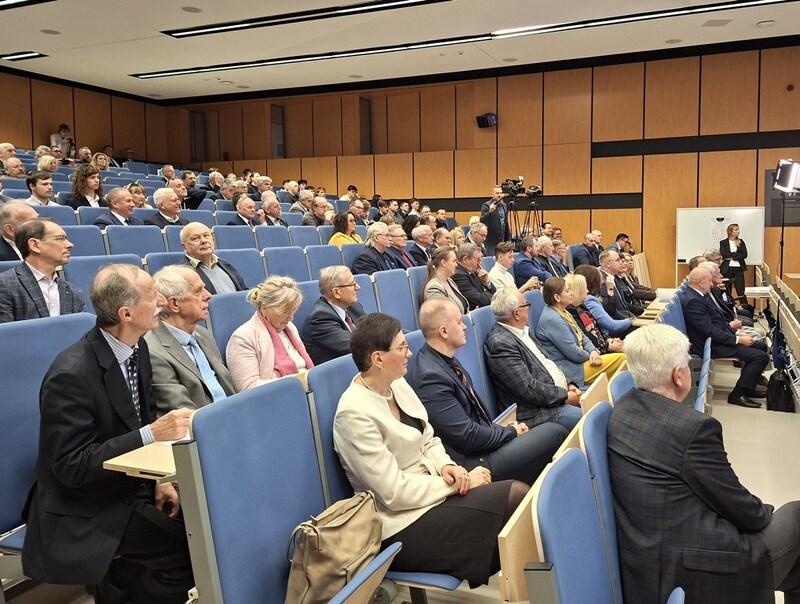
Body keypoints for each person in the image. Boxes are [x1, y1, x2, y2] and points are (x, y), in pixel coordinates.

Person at [22, 264, 194, 604]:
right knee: (189, 553)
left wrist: (159, 481)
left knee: (205, 526)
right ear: (126, 312)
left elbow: (138, 424)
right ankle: (120, 585)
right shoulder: (70, 375)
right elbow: (72, 466)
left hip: (128, 484)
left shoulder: (137, 347)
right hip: (87, 505)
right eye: (151, 296)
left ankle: (121, 582)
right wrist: (151, 434)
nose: (161, 300)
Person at [607, 323, 800, 604]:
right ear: (678, 376)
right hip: (695, 566)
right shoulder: (693, 428)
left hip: (648, 560)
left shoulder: (623, 408)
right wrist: (764, 511)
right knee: (795, 513)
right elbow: (748, 512)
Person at [334, 312, 528, 586]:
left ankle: (524, 583)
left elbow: (428, 437)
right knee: (516, 497)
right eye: (401, 347)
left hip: (431, 493)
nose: (410, 353)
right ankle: (529, 586)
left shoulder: (396, 383)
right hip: (401, 524)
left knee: (517, 504)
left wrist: (447, 467)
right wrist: (459, 483)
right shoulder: (353, 414)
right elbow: (394, 493)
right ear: (378, 359)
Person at [409, 299, 567, 484]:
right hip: (474, 462)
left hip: (482, 444)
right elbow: (467, 436)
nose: (465, 327)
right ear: (444, 331)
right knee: (555, 432)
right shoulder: (430, 377)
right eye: (459, 322)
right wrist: (511, 433)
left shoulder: (443, 360)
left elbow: (476, 421)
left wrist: (505, 430)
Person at [484, 288, 584, 430]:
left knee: (598, 404)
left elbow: (547, 362)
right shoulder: (500, 343)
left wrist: (569, 384)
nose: (529, 309)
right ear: (517, 313)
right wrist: (564, 396)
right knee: (590, 419)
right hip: (537, 412)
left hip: (554, 396)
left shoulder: (522, 330)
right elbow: (528, 388)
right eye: (526, 305)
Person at [145, 265, 235, 417]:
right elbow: (186, 415)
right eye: (198, 291)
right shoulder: (153, 352)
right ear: (174, 304)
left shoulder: (203, 334)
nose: (208, 295)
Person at [680, 266, 768, 408]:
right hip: (709, 345)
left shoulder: (699, 294)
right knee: (760, 357)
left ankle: (749, 387)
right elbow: (709, 331)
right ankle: (738, 394)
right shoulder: (693, 301)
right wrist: (738, 339)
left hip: (716, 339)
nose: (712, 284)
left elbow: (718, 322)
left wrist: (737, 333)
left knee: (760, 346)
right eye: (709, 281)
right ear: (700, 282)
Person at [226, 276, 314, 392]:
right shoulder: (242, 338)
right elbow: (247, 388)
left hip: (306, 391)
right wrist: (298, 381)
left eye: (293, 311)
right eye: (284, 312)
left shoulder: (289, 327)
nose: (291, 318)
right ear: (264, 308)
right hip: (276, 399)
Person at [535, 277, 626, 388]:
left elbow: (582, 335)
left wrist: (593, 351)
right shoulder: (552, 319)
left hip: (583, 360)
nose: (572, 293)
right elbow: (574, 354)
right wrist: (592, 355)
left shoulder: (563, 311)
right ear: (557, 297)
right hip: (574, 370)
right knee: (623, 359)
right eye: (567, 291)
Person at [0, 218, 84, 322]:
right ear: (34, 245)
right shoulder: (4, 285)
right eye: (60, 238)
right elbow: (5, 335)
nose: (70, 244)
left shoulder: (75, 293)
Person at [301, 265, 366, 365]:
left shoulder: (353, 306)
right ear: (336, 292)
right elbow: (358, 346)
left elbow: (371, 330)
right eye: (352, 284)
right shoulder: (319, 318)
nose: (358, 287)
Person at [564, 273, 625, 355]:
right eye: (585, 288)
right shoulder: (571, 311)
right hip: (594, 353)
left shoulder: (581, 306)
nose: (587, 291)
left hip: (603, 345)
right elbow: (586, 337)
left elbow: (597, 330)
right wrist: (608, 346)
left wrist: (608, 340)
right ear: (578, 291)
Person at [178, 222, 247, 295]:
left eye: (206, 235)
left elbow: (244, 291)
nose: (204, 241)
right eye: (195, 238)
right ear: (184, 247)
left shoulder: (225, 264)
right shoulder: (182, 273)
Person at [573, 264, 634, 337]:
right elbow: (612, 325)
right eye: (600, 279)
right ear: (594, 281)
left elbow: (611, 311)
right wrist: (630, 320)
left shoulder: (589, 297)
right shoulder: (589, 300)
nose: (602, 281)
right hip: (607, 337)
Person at [420, 246, 469, 313]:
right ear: (443, 263)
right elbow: (442, 316)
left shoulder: (449, 280)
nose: (456, 265)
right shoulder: (433, 288)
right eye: (454, 261)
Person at [452, 243, 496, 309]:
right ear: (465, 260)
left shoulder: (474, 271)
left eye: (480, 260)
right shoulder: (458, 275)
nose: (480, 264)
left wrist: (486, 282)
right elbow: (482, 301)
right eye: (477, 260)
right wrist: (487, 294)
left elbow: (495, 294)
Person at [599, 248, 641, 318]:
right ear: (608, 264)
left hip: (627, 318)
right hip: (619, 323)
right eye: (618, 260)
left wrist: (633, 316)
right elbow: (611, 311)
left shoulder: (615, 277)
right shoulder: (603, 281)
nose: (621, 262)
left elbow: (624, 306)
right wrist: (629, 320)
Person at [480, 185, 511, 256]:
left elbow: (505, 223)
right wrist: (490, 211)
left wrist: (508, 238)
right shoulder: (486, 205)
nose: (499, 195)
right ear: (492, 194)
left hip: (502, 241)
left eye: (501, 193)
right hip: (491, 242)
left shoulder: (504, 206)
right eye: (497, 193)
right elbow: (482, 220)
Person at [720, 222, 748, 301]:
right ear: (730, 231)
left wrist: (732, 257)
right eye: (736, 230)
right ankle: (729, 307)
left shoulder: (741, 242)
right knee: (727, 291)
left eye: (738, 229)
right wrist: (737, 254)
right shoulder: (723, 242)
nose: (738, 231)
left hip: (738, 269)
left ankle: (745, 308)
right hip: (727, 269)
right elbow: (724, 254)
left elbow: (744, 254)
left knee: (741, 290)